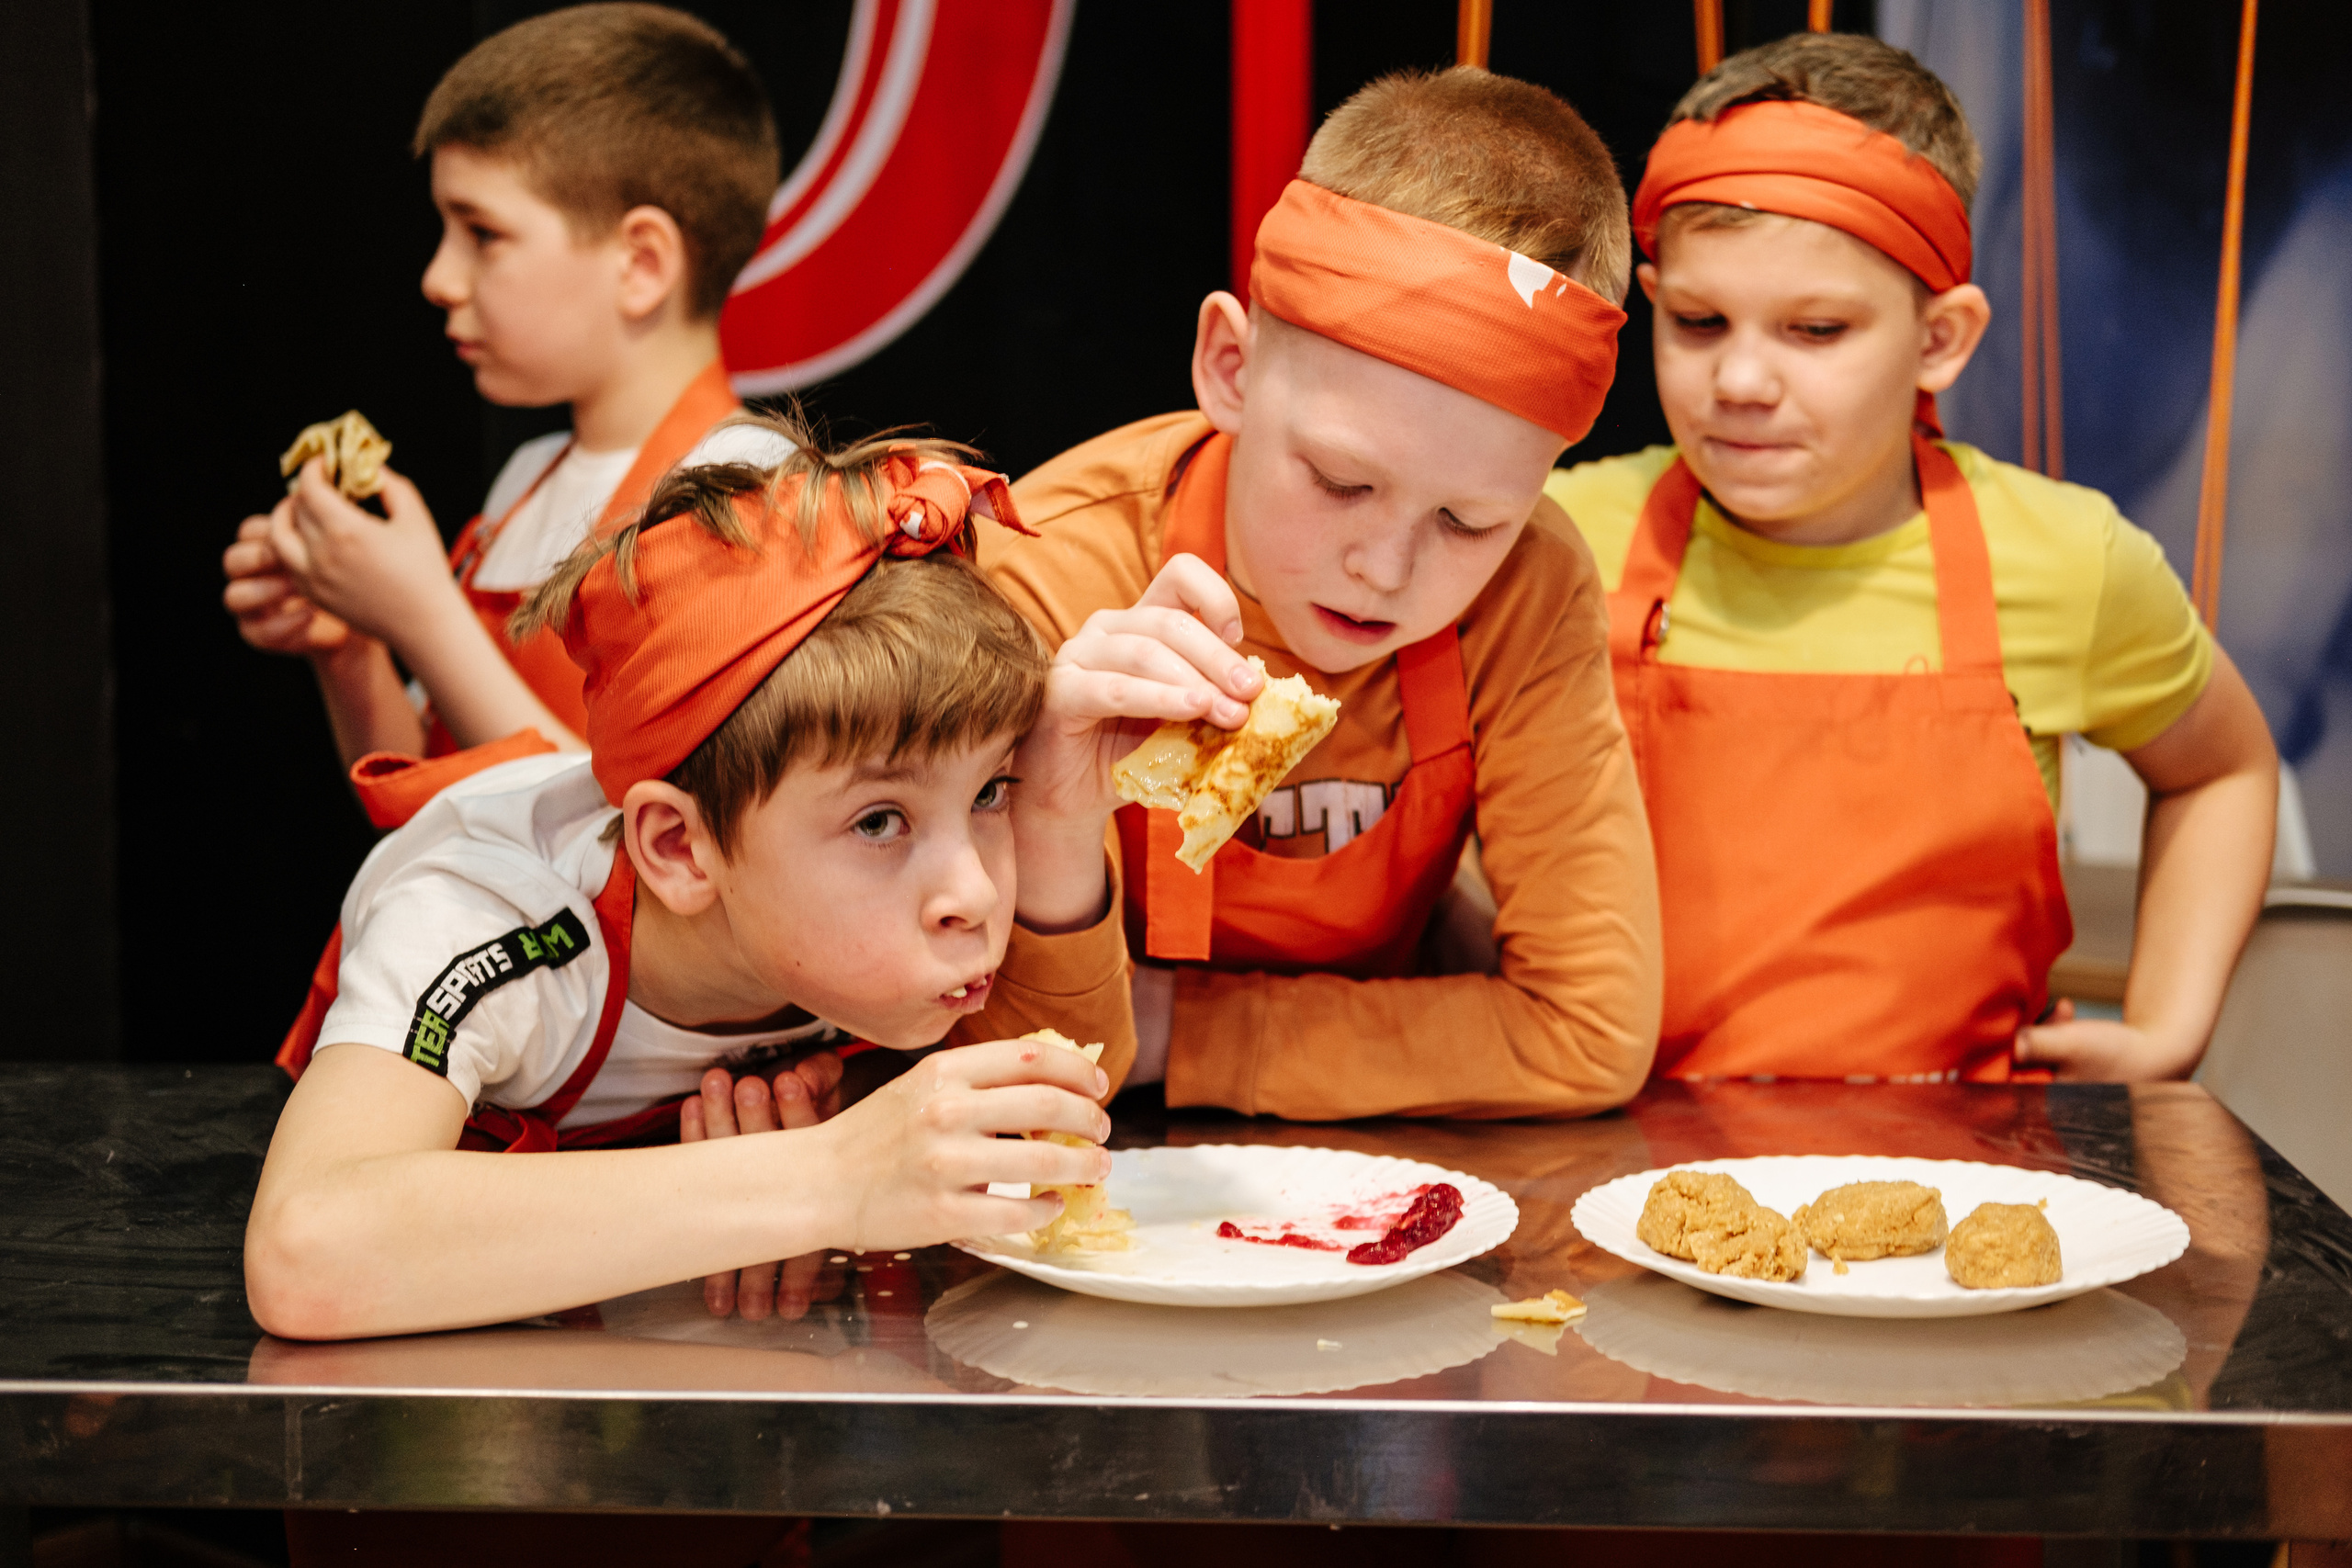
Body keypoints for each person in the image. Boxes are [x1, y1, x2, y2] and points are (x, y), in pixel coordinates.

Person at [245, 418, 1137, 1345]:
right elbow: (307, 1251)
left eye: (992, 790)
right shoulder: (487, 915)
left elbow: (1070, 1105)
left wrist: (1063, 824)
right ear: (678, 848)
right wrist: (827, 1180)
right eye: (880, 821)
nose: (976, 894)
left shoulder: (863, 914)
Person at [1546, 32, 2278, 1084]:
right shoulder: (1558, 541)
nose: (1741, 380)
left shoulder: (2071, 561)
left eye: (1814, 330)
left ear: (1940, 339)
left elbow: (2223, 769)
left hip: (1963, 1189)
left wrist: (2167, 1024)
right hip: (1620, 1182)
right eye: (1700, 322)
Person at [981, 67, 1663, 1122]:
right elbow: (984, 1056)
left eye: (1466, 522)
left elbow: (1588, 1034)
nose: (1384, 570)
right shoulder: (1040, 573)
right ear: (1230, 368)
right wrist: (1057, 811)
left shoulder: (1529, 584)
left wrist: (1178, 1028)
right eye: (1342, 483)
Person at [221, 4, 782, 768]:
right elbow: (433, 789)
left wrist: (423, 619)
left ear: (641, 264)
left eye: (483, 234)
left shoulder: (752, 492)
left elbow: (627, 831)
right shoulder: (527, 476)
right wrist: (351, 645)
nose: (438, 278)